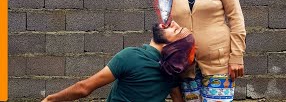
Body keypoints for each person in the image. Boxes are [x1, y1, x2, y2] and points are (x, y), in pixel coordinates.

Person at [42, 21, 196, 102]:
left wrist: (51, 99)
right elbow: (177, 98)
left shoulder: (130, 56)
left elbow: (84, 88)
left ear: (169, 46)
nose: (173, 23)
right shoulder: (171, 73)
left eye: (175, 30)